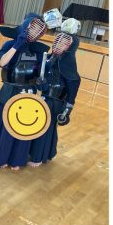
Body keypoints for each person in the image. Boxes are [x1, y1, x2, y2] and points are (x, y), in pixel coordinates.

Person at [0, 13, 47, 170]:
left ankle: (16, 159)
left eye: (37, 31)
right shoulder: (10, 44)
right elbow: (2, 62)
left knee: (23, 126)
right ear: (25, 27)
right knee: (6, 126)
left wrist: (41, 83)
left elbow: (41, 74)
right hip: (10, 91)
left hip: (28, 93)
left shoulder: (39, 51)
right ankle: (1, 157)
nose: (33, 33)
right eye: (31, 29)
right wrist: (16, 46)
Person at [28, 19, 81, 167]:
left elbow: (72, 89)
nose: (58, 45)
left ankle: (39, 156)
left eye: (64, 43)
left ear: (70, 46)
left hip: (54, 102)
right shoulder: (51, 57)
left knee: (46, 128)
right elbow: (42, 75)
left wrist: (67, 110)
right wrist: (40, 82)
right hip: (43, 97)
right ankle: (39, 152)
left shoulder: (68, 64)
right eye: (58, 41)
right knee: (37, 125)